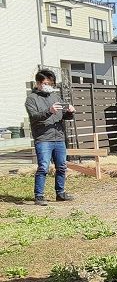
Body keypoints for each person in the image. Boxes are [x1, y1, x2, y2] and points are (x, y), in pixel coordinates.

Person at [25, 69, 76, 206]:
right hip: (43, 138)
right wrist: (49, 111)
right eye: (45, 83)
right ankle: (39, 196)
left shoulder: (55, 97)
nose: (48, 85)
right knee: (43, 167)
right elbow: (34, 117)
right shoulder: (31, 99)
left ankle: (60, 193)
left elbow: (63, 116)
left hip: (59, 137)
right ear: (38, 83)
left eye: (51, 83)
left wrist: (70, 112)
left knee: (62, 166)